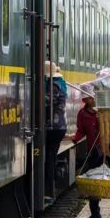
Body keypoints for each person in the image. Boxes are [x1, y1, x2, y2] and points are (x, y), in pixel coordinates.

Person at [71, 83, 103, 218]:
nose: (88, 101)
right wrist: (74, 139)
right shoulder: (82, 114)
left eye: (90, 98)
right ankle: (95, 214)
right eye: (85, 99)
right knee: (93, 181)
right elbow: (81, 131)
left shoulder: (104, 111)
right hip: (93, 152)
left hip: (108, 152)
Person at [44, 61, 67, 204]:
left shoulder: (54, 85)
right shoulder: (60, 82)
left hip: (53, 128)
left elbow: (46, 101)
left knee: (49, 159)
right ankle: (49, 192)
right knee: (50, 158)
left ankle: (48, 192)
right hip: (58, 127)